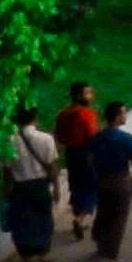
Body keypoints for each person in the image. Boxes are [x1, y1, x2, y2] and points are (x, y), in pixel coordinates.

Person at [1, 108, 62, 262]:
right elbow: (52, 166)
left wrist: (6, 189)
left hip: (19, 187)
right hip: (40, 185)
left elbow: (6, 170)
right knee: (43, 219)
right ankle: (42, 254)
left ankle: (26, 259)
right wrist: (56, 188)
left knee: (21, 221)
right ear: (35, 117)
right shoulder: (46, 139)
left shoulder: (8, 141)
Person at [88, 109, 132, 262]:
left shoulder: (97, 137)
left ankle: (100, 245)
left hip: (101, 180)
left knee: (104, 212)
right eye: (123, 113)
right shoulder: (125, 138)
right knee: (118, 218)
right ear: (117, 116)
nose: (125, 116)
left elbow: (90, 160)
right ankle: (112, 256)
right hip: (120, 181)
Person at [53, 82, 105, 244]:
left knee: (75, 186)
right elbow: (92, 135)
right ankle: (81, 219)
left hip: (71, 154)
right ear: (78, 96)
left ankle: (77, 216)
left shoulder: (63, 114)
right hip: (87, 154)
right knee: (92, 187)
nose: (91, 96)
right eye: (88, 93)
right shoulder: (86, 114)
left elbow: (59, 136)